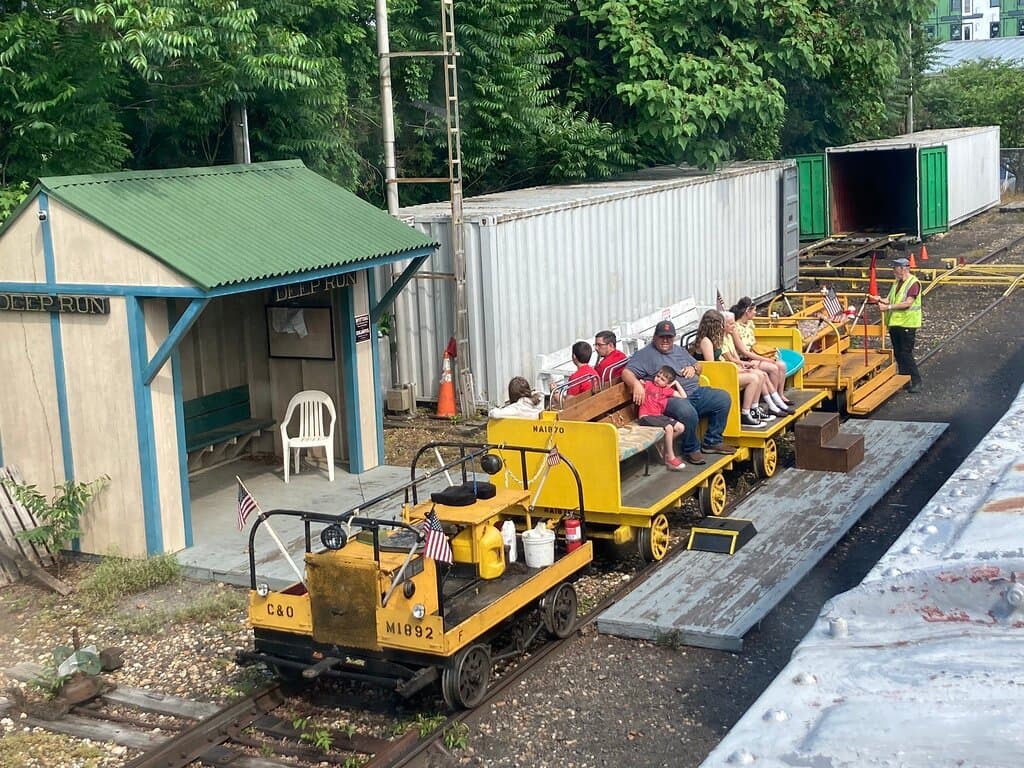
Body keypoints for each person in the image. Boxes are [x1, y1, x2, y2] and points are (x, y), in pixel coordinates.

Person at [621, 320, 735, 466]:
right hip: (668, 398)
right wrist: (636, 384)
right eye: (662, 337)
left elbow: (698, 365)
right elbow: (626, 372)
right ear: (655, 337)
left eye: (669, 337)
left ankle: (712, 442)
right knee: (687, 412)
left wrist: (694, 368)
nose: (665, 340)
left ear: (674, 337)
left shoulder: (678, 350)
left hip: (695, 391)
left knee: (723, 398)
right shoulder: (645, 355)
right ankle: (691, 449)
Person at [870, 257, 922, 393]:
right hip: (895, 324)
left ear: (903, 269)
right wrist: (880, 300)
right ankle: (904, 380)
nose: (893, 271)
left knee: (906, 353)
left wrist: (888, 307)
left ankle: (916, 381)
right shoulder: (897, 282)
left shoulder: (913, 283)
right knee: (898, 353)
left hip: (907, 324)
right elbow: (890, 299)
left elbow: (908, 303)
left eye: (895, 268)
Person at [729, 296, 793, 405]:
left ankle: (780, 395)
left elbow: (754, 344)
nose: (755, 312)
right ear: (747, 311)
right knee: (773, 368)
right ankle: (772, 399)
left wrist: (766, 355)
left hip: (754, 354)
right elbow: (744, 351)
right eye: (754, 310)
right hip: (746, 359)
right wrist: (765, 359)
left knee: (781, 365)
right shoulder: (735, 328)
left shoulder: (750, 324)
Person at [637, 365, 687, 471]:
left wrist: (676, 383)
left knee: (681, 427)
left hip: (658, 416)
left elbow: (684, 396)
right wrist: (639, 384)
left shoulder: (667, 390)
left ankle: (662, 443)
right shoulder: (648, 384)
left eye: (662, 379)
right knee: (669, 428)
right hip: (646, 416)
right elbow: (637, 383)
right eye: (658, 376)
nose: (658, 379)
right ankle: (670, 457)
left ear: (667, 383)